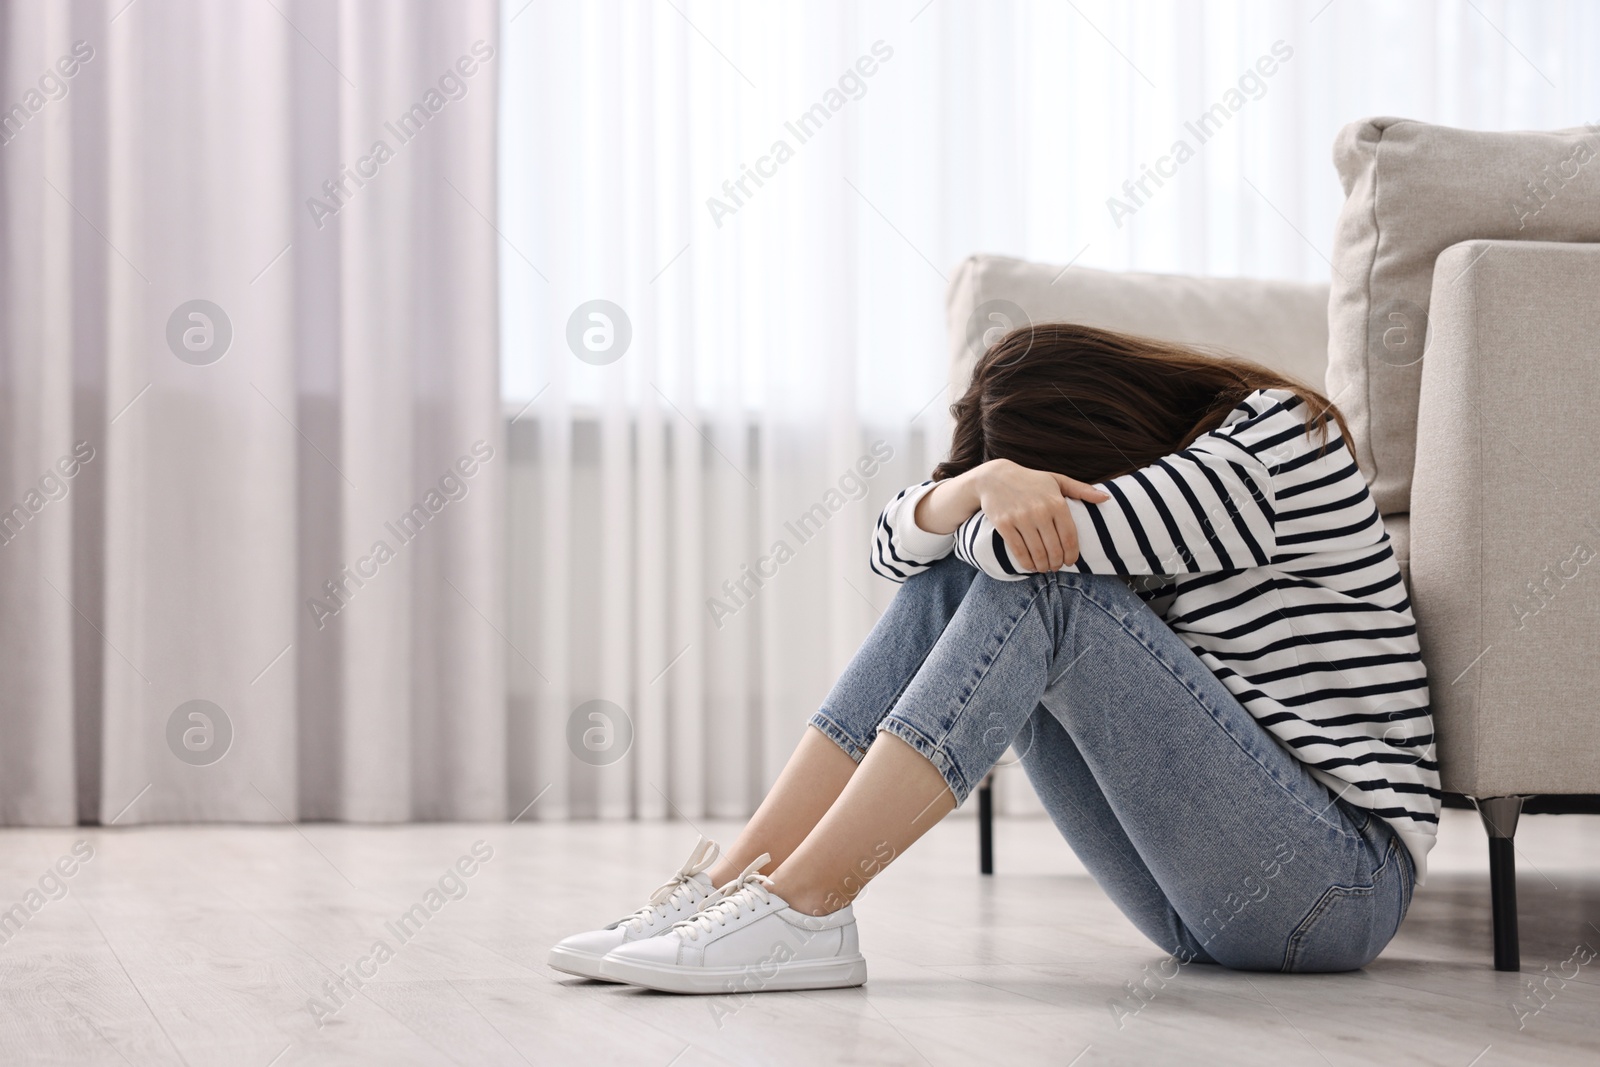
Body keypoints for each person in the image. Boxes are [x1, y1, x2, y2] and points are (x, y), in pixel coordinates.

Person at [549, 323, 1438, 994]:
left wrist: (976, 505)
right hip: (1203, 903)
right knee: (944, 586)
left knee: (1042, 585)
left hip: (1336, 883)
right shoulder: (1161, 476)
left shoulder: (1278, 440)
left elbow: (1022, 555)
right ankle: (738, 882)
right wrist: (973, 486)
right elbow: (898, 556)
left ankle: (808, 908)